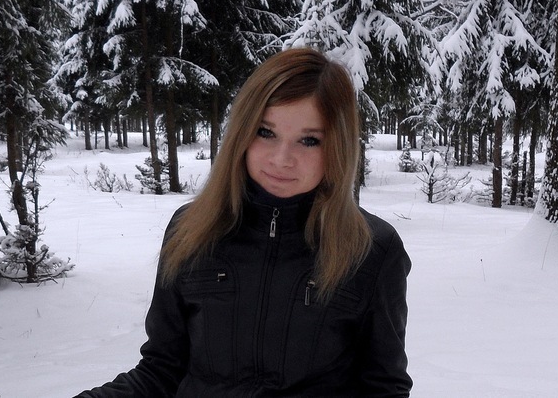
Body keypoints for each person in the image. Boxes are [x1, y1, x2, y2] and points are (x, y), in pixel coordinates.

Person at [74, 47, 412, 397]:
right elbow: (161, 371)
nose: (282, 159)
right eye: (266, 132)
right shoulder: (191, 230)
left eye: (309, 140)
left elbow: (384, 389)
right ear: (243, 132)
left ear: (337, 147)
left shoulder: (371, 249)